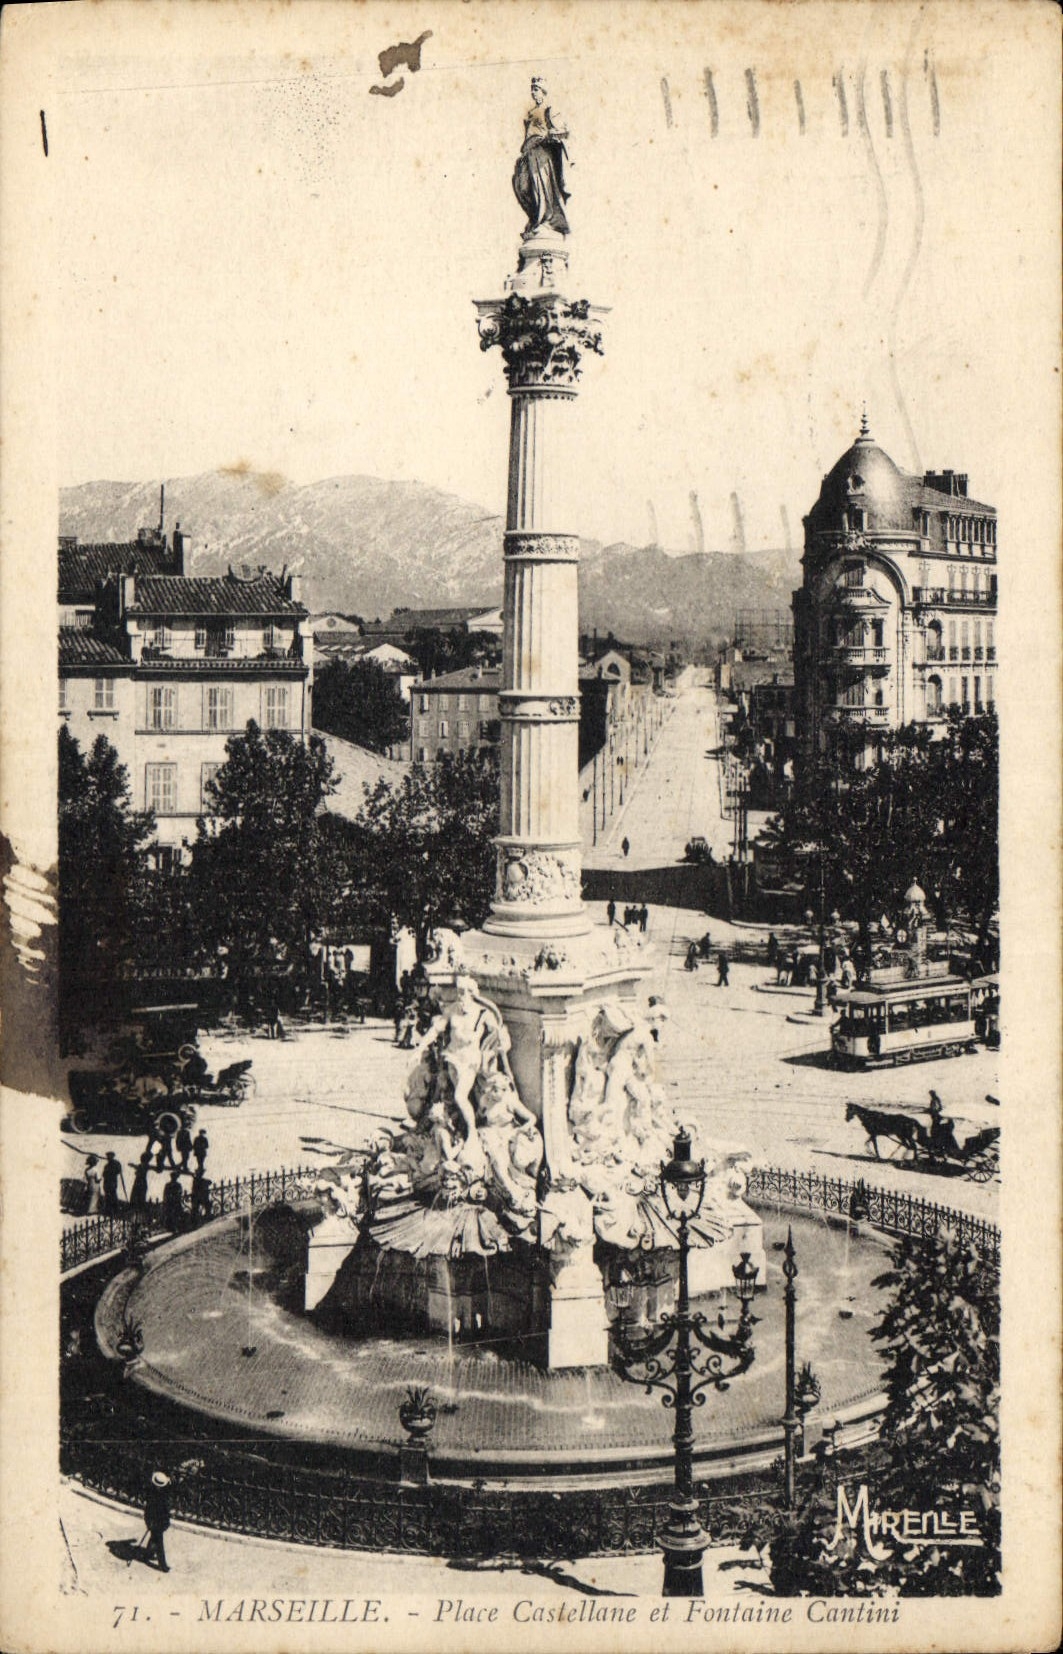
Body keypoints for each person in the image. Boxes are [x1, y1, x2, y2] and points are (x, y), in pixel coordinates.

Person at [512, 77, 570, 238]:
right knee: (523, 187)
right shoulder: (530, 113)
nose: (533, 92)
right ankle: (535, 218)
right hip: (529, 154)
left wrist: (549, 135)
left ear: (543, 92)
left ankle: (545, 220)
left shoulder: (549, 110)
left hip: (543, 154)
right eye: (532, 89)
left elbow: (563, 131)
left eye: (536, 89)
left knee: (542, 187)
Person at [143, 1472, 171, 1572]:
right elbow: (149, 1510)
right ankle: (163, 1565)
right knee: (159, 1543)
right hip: (156, 1521)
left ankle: (147, 1554)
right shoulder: (154, 1495)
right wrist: (150, 1522)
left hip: (158, 1520)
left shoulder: (157, 1492)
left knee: (154, 1538)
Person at [101, 1150, 125, 1216]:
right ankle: (108, 1211)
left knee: (113, 1196)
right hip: (106, 1183)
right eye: (107, 1156)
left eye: (109, 1156)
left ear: (112, 1156)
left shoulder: (116, 1164)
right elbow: (103, 1174)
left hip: (112, 1183)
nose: (108, 1157)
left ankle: (115, 1210)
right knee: (107, 1196)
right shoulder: (106, 1166)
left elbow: (118, 1171)